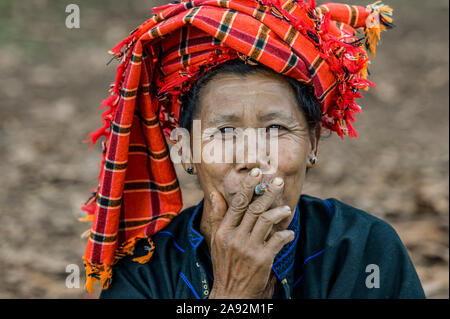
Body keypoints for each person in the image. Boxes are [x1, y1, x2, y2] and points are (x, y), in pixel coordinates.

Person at [81, 0, 425, 298]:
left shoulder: (363, 252)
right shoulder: (146, 274)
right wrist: (233, 294)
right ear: (184, 150)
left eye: (275, 129)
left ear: (312, 144)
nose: (251, 159)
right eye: (226, 131)